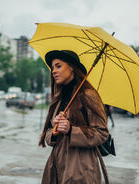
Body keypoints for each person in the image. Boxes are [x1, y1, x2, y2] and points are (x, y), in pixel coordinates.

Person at [39, 50, 109, 184]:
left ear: (71, 67)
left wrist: (71, 130)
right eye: (53, 67)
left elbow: (102, 133)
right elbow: (48, 137)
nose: (53, 71)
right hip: (56, 168)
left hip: (80, 170)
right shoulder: (58, 99)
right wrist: (54, 131)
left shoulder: (88, 95)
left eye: (58, 66)